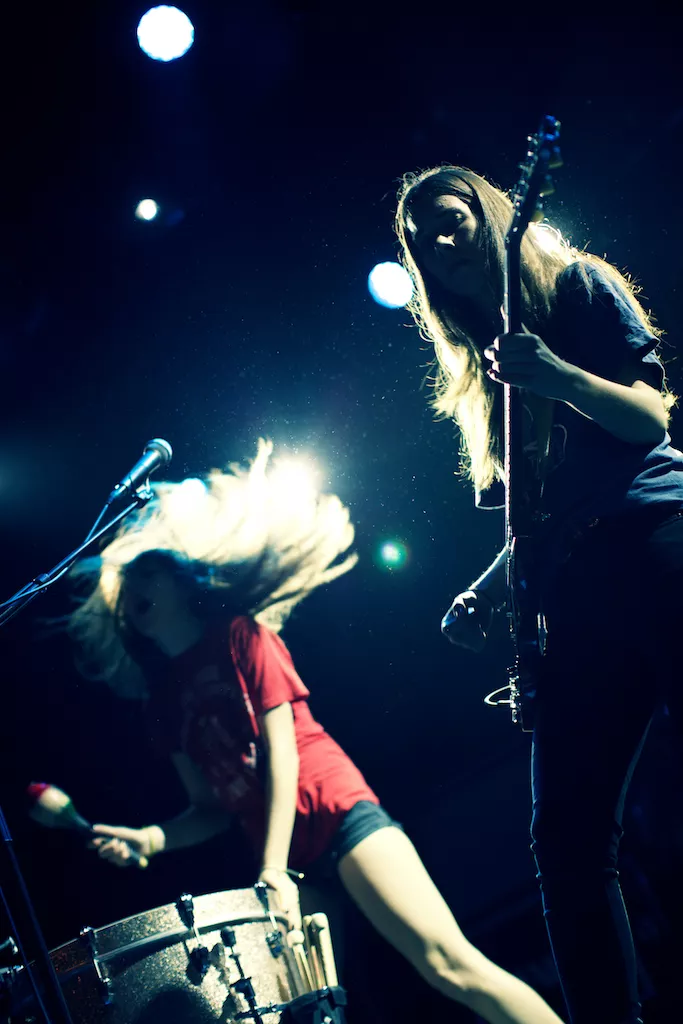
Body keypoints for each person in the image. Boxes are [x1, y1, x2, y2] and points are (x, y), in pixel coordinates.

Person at [65, 439, 562, 1024]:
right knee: (309, 1015)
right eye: (128, 583)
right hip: (287, 859)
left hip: (338, 816)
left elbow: (283, 755)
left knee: (450, 965)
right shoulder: (164, 703)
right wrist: (152, 838)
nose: (134, 588)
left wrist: (272, 869)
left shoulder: (241, 637)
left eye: (149, 571)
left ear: (180, 581)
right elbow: (211, 808)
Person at [394, 165, 683, 1024]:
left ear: (494, 212)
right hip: (573, 596)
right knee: (564, 842)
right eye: (420, 240)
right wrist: (487, 590)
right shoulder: (480, 367)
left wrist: (555, 376)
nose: (439, 243)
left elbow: (648, 420)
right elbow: (544, 511)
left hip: (655, 541)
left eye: (450, 219)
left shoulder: (578, 286)